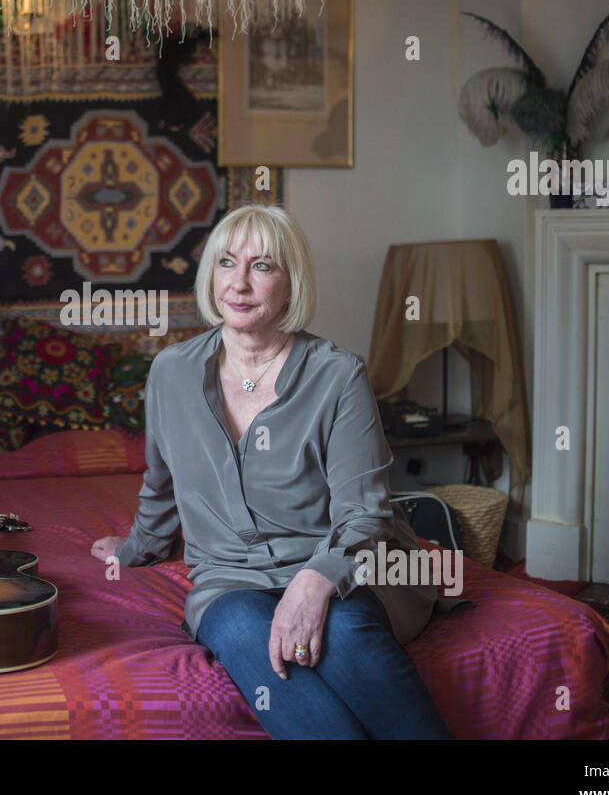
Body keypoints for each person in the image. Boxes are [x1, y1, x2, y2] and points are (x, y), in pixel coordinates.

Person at [90, 204, 451, 739]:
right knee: (237, 624)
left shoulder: (337, 375)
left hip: (343, 560)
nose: (238, 283)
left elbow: (364, 512)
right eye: (227, 262)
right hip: (230, 577)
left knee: (346, 632)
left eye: (262, 267)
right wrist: (132, 549)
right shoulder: (171, 373)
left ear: (290, 283)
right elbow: (161, 487)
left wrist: (314, 583)